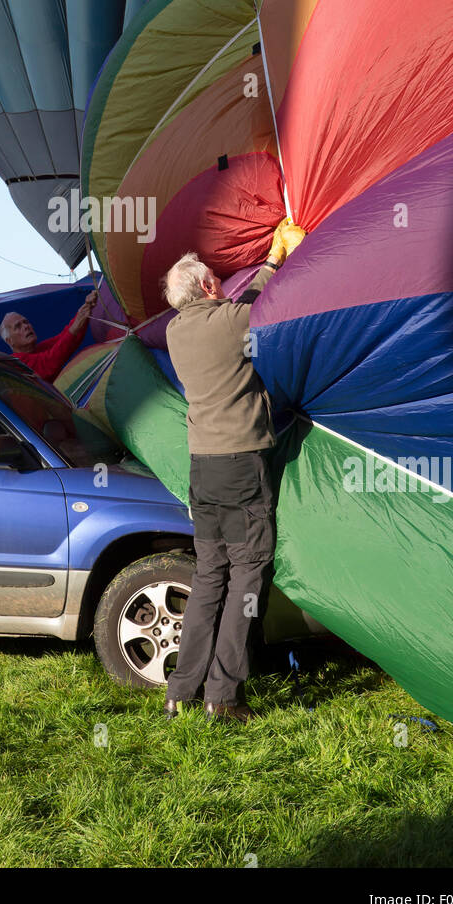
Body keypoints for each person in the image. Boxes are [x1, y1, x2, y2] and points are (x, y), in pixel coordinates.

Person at [161, 219, 306, 724]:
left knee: (209, 577)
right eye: (217, 280)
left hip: (203, 470)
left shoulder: (176, 331)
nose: (223, 285)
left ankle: (180, 690)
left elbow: (233, 310)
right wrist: (275, 257)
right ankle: (223, 697)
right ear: (206, 286)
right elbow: (261, 304)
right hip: (243, 466)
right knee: (248, 575)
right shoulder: (228, 321)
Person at [0, 289, 98, 382]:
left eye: (26, 322)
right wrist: (78, 322)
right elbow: (50, 362)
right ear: (9, 341)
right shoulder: (16, 361)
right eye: (18, 326)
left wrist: (86, 306)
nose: (26, 326)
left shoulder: (40, 349)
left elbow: (64, 337)